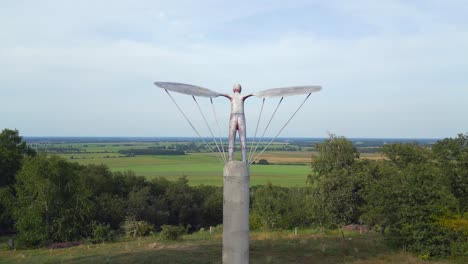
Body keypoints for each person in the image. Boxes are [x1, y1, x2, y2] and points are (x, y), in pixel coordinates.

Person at [221, 84, 253, 162]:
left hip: (233, 117)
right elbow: (250, 94)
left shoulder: (232, 96)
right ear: (240, 89)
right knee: (243, 139)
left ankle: (230, 159)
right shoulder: (242, 96)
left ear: (233, 89)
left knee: (231, 138)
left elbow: (224, 94)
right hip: (241, 117)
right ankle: (244, 160)